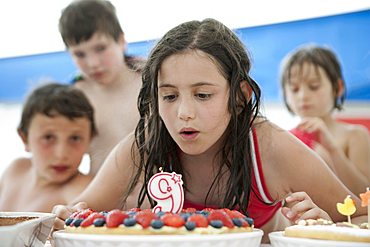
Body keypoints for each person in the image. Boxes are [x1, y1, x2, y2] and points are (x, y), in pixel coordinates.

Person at [51, 19, 367, 243]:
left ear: (240, 97)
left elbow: (362, 216)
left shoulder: (270, 148)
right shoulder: (146, 144)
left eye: (203, 95)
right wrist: (66, 214)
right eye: (169, 96)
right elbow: (71, 217)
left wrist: (324, 229)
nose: (184, 113)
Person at [58, 0, 143, 175]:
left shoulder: (151, 78)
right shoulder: (73, 97)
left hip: (158, 193)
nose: (93, 63)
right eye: (79, 54)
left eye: (101, 48)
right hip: (102, 198)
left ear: (121, 40)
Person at [280, 44, 370, 196]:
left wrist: (332, 150)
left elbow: (364, 195)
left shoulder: (354, 136)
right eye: (294, 89)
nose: (303, 96)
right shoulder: (285, 140)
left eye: (313, 87)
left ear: (338, 88)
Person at [0, 83, 96, 213]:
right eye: (48, 138)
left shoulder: (82, 188)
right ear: (24, 138)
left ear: (90, 140)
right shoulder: (16, 170)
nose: (61, 154)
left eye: (75, 138)